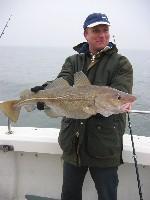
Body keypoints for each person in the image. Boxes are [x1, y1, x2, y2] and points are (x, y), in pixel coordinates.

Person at [31, 13, 133, 200]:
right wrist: (44, 90)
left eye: (105, 30)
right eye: (96, 31)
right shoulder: (73, 61)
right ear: (86, 34)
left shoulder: (120, 63)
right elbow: (63, 80)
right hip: (73, 143)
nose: (102, 35)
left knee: (107, 195)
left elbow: (120, 92)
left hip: (104, 145)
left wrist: (112, 100)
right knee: (69, 195)